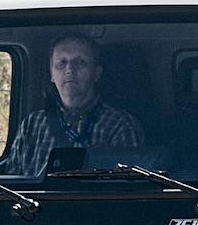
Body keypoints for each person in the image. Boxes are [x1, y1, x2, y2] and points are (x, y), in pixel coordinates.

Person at [8, 34, 142, 172]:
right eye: (62, 63)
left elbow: (125, 188)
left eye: (81, 62)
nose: (70, 70)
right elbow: (13, 180)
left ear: (96, 73)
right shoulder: (32, 125)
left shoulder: (119, 126)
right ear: (52, 75)